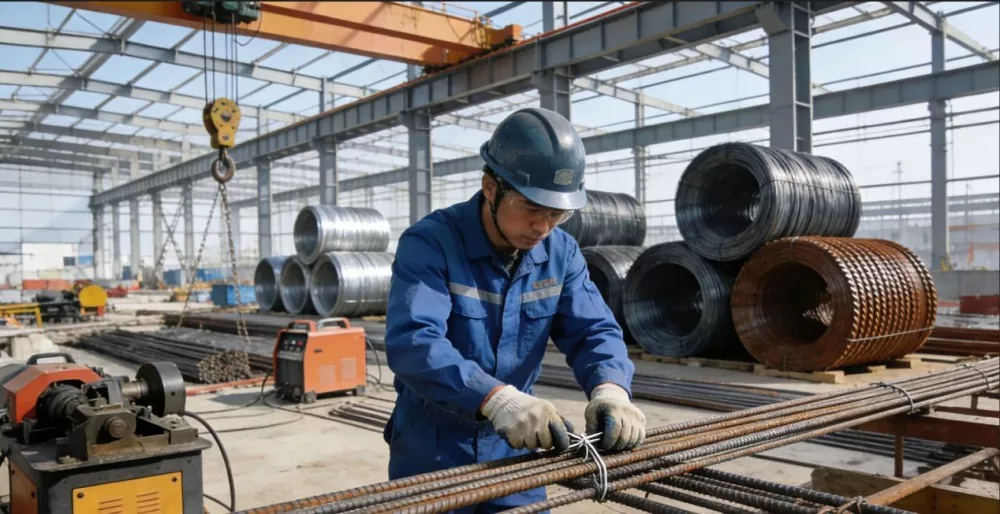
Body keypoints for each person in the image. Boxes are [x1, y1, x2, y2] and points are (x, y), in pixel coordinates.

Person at [383, 107, 645, 512]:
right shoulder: (431, 244)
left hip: (516, 445)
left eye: (557, 213)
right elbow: (414, 342)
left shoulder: (560, 253)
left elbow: (593, 330)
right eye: (531, 207)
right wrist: (495, 399)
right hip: (433, 449)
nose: (543, 226)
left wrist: (611, 388)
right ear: (491, 188)